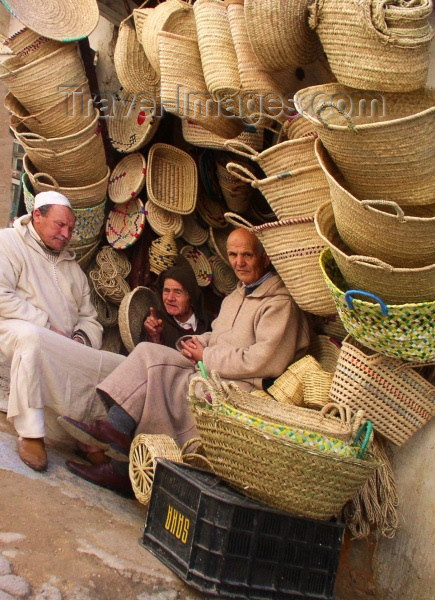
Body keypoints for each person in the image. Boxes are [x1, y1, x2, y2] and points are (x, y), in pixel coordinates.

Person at [59, 228, 311, 494]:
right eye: (234, 255)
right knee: (147, 352)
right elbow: (218, 335)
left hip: (240, 388)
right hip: (212, 369)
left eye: (247, 255)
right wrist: (196, 343)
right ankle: (115, 432)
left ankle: (121, 462)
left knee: (166, 383)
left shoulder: (279, 304)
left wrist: (207, 356)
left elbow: (263, 362)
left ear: (265, 258)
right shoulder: (237, 296)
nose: (239, 262)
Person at [0, 191, 124, 472]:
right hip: (12, 331)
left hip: (64, 344)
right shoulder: (8, 243)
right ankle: (31, 433)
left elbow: (90, 319)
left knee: (117, 367)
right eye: (60, 225)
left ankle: (84, 435)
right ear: (37, 216)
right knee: (32, 339)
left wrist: (80, 338)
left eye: (70, 227)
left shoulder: (74, 271)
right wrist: (45, 325)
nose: (67, 233)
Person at [142, 261, 210, 349]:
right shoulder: (155, 321)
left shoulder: (208, 323)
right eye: (166, 291)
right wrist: (155, 336)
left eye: (178, 292)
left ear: (191, 296)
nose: (170, 298)